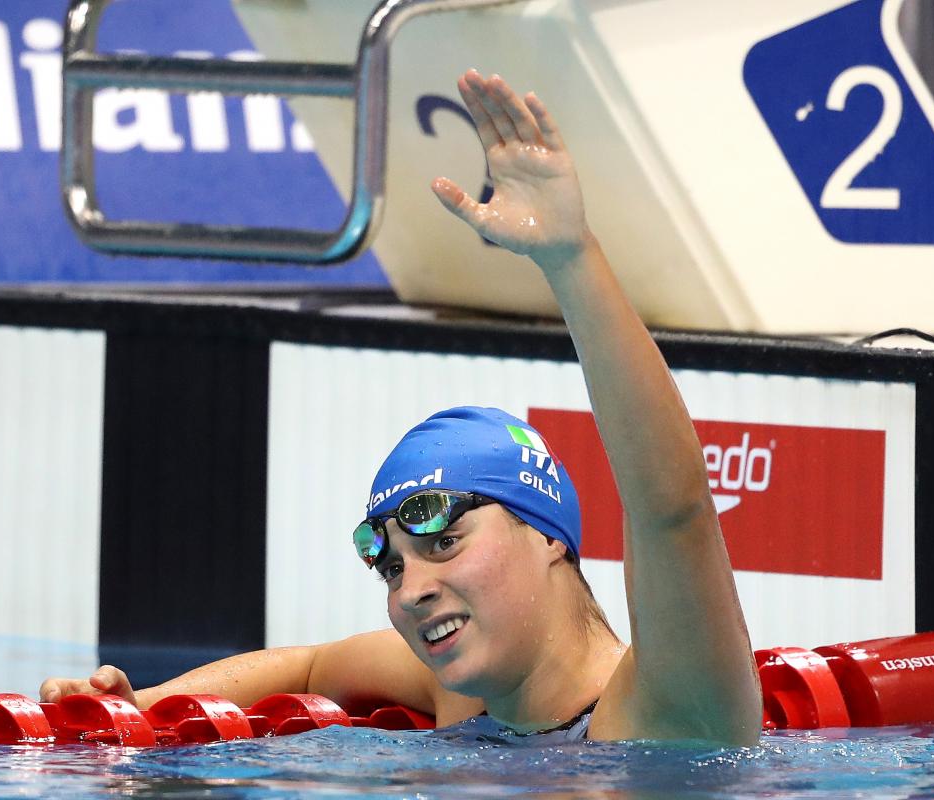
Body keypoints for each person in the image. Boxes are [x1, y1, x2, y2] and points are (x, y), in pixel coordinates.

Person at [40, 70, 761, 745]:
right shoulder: (467, 693)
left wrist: (571, 261)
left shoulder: (667, 709)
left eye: (443, 543)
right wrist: (140, 708)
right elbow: (314, 668)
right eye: (392, 568)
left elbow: (674, 508)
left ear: (549, 536)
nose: (413, 590)